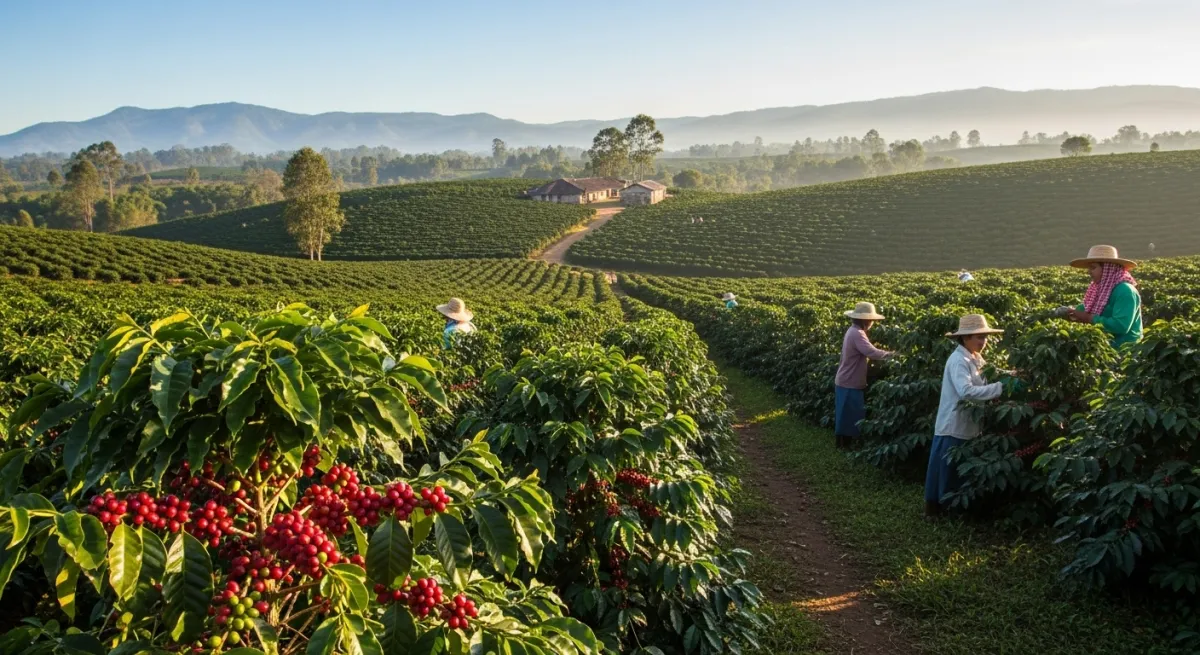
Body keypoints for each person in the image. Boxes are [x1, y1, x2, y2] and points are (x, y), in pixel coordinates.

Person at [924, 314, 1009, 519]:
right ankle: (939, 510)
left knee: (956, 469)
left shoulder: (974, 357)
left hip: (967, 423)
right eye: (979, 337)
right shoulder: (958, 361)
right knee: (946, 469)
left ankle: (951, 509)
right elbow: (966, 391)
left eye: (985, 337)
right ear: (965, 338)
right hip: (954, 424)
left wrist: (1011, 375)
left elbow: (991, 372)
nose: (983, 341)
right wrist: (1000, 388)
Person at [834, 302, 894, 450]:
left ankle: (842, 443)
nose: (872, 323)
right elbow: (871, 352)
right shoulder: (857, 333)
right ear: (865, 320)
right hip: (849, 380)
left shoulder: (853, 330)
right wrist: (893, 355)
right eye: (871, 320)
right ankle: (844, 445)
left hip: (846, 379)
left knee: (846, 414)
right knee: (849, 414)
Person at [1058, 245, 1143, 348]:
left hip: (1125, 351)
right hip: (1104, 347)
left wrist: (1088, 318)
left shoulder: (1125, 291)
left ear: (1108, 268)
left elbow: (1120, 326)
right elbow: (1086, 308)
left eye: (1093, 267)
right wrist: (1070, 312)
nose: (1089, 272)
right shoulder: (1099, 288)